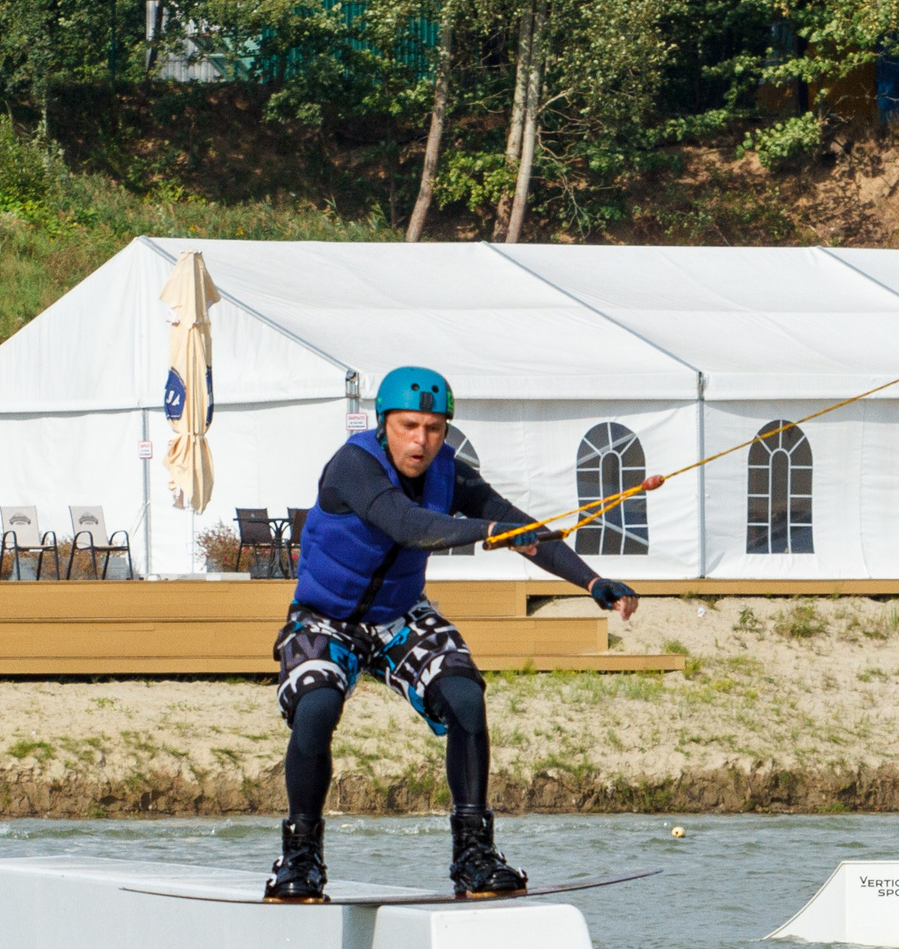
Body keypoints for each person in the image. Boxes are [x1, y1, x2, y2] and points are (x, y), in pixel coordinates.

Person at [267, 366, 645, 901]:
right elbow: (409, 525)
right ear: (383, 424)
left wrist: (591, 581)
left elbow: (522, 527)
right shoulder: (353, 466)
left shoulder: (451, 473)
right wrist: (489, 532)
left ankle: (473, 854)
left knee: (466, 696)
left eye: (434, 428)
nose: (421, 441)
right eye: (408, 426)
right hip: (326, 619)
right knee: (317, 707)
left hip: (401, 616)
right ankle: (300, 858)